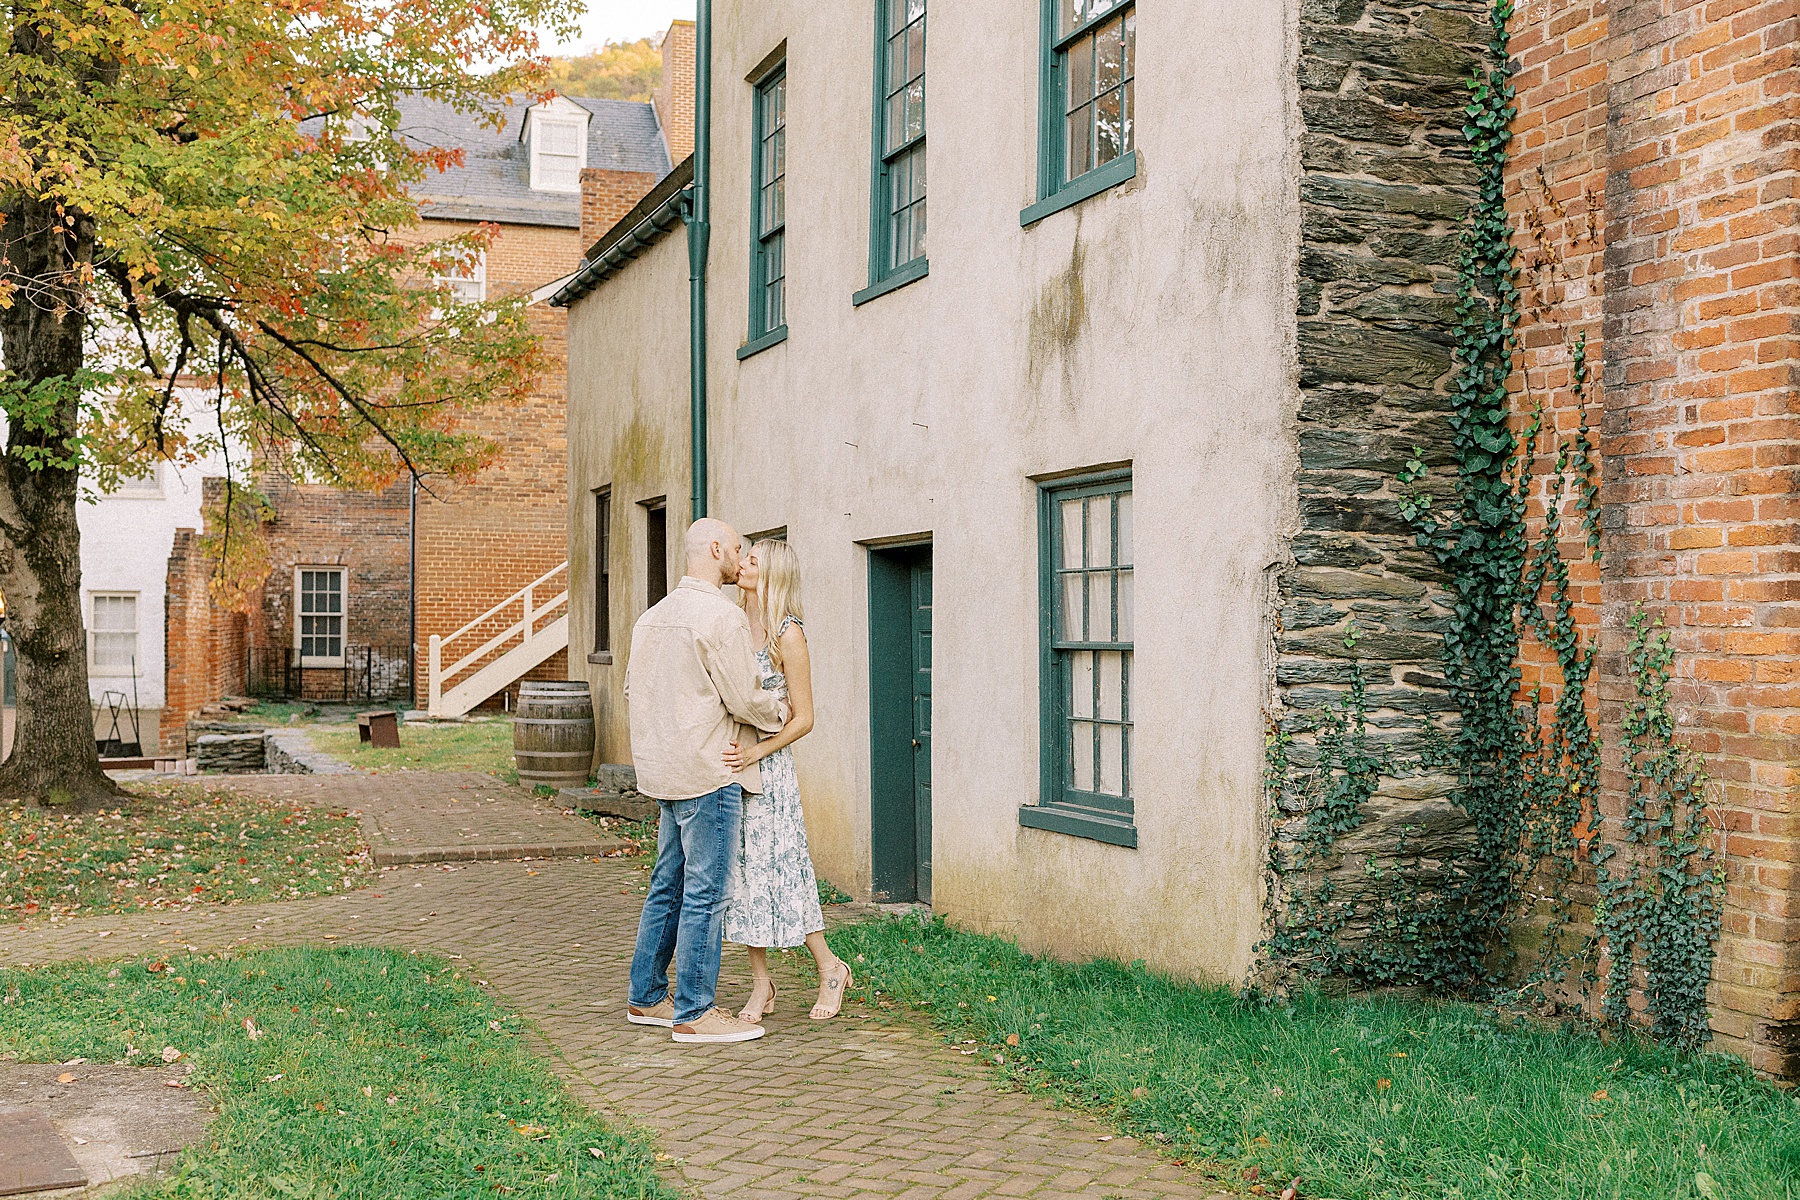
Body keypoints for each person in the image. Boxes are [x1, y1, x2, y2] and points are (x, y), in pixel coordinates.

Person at [623, 517, 789, 1044]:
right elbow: (745, 696)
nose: (741, 560)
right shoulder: (722, 618)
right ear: (714, 548)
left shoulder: (650, 619)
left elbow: (634, 692)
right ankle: (695, 1012)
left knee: (667, 886)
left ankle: (647, 998)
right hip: (708, 773)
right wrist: (779, 710)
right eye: (737, 550)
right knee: (706, 892)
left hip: (663, 773)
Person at [722, 539, 854, 1023]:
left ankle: (830, 969)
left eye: (751, 560)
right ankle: (762, 985)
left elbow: (804, 718)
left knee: (784, 871)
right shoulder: (735, 624)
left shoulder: (788, 635)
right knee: (742, 878)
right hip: (734, 765)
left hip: (770, 769)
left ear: (772, 573)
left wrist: (757, 749)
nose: (741, 564)